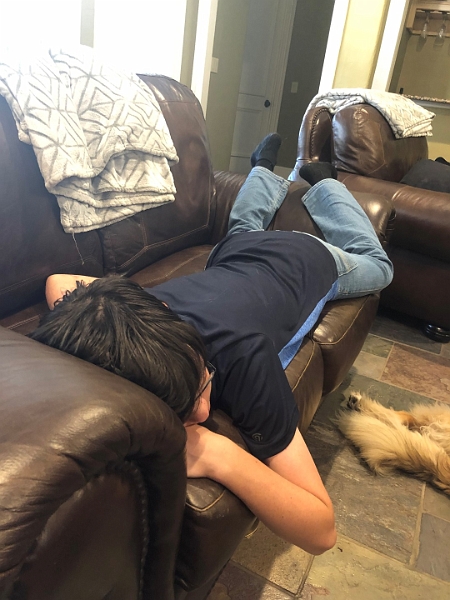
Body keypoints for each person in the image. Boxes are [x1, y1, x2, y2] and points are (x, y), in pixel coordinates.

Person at [30, 134, 393, 555]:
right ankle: (261, 169)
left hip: (309, 257)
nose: (203, 411)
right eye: (186, 410)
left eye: (203, 383)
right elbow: (57, 283)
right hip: (235, 252)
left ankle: (325, 183)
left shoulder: (243, 355)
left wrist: (218, 455)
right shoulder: (142, 310)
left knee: (379, 266)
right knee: (243, 230)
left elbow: (321, 531)